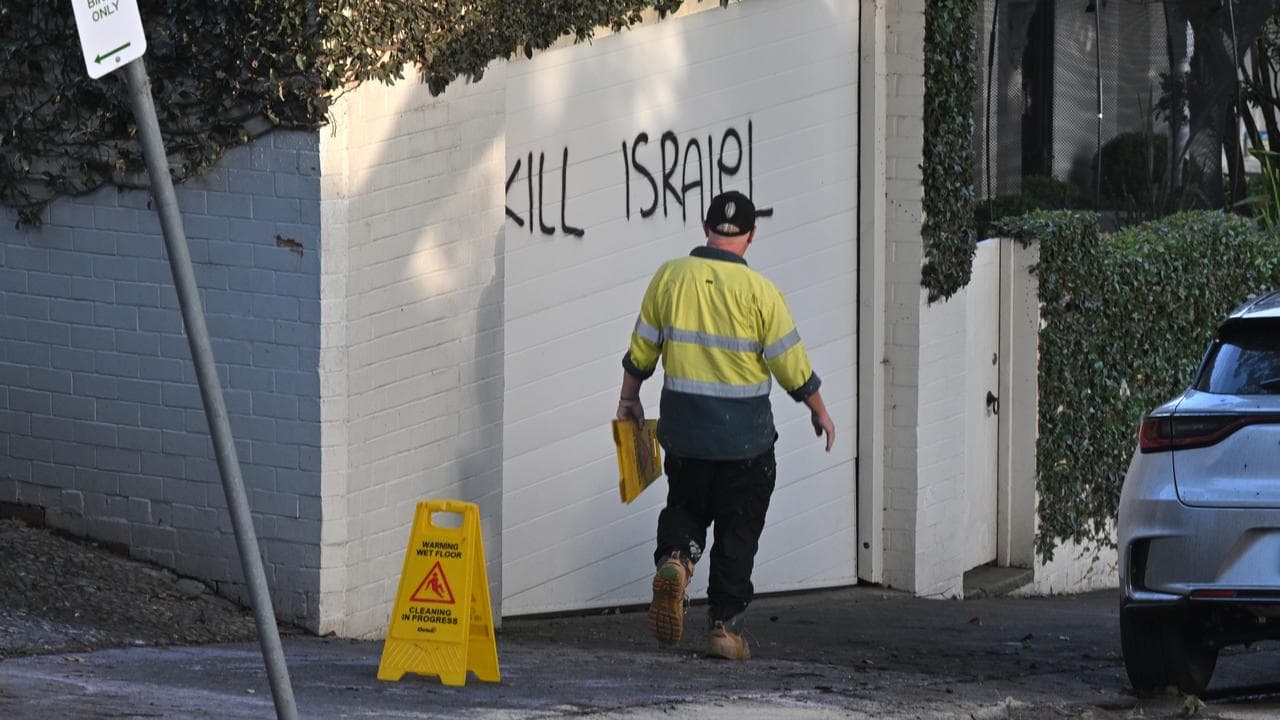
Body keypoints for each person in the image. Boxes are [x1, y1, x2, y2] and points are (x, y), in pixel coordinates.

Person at [617, 190, 835, 661]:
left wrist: (628, 398)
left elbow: (642, 351)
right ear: (751, 236)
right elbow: (790, 364)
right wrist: (818, 408)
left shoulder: (670, 278)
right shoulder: (761, 293)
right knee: (739, 525)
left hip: (687, 435)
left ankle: (677, 558)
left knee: (687, 504)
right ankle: (724, 628)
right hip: (745, 444)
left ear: (705, 228)